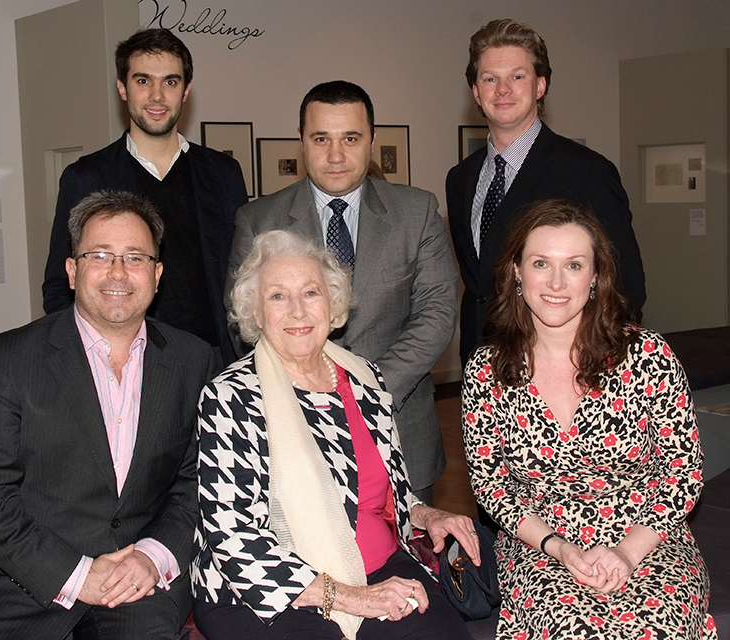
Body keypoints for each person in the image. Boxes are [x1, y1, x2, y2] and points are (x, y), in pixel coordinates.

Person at [192, 230, 480, 640]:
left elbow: (383, 489)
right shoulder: (230, 397)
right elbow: (235, 536)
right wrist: (351, 597)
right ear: (255, 314)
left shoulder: (364, 378)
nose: (297, 311)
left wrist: (423, 513)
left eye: (310, 293)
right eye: (277, 296)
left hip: (377, 564)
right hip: (262, 591)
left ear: (333, 304)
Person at [0, 191, 217, 639]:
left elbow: (198, 481)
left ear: (156, 275)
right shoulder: (6, 360)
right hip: (24, 589)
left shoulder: (194, 361)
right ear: (73, 271)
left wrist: (154, 556)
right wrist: (78, 575)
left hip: (137, 586)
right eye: (100, 255)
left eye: (135, 257)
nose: (118, 272)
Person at [461, 199, 715, 639]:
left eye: (574, 265)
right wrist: (558, 548)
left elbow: (683, 472)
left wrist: (628, 553)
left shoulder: (647, 356)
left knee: (655, 629)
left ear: (596, 277)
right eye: (541, 263)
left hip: (649, 539)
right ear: (517, 272)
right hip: (541, 545)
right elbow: (491, 486)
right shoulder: (487, 370)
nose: (556, 282)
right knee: (570, 630)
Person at [226, 81, 458, 503]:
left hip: (400, 425)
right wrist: (311, 393)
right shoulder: (258, 219)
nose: (336, 155)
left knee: (411, 561)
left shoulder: (417, 211)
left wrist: (369, 388)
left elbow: (437, 312)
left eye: (350, 138)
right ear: (302, 142)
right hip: (294, 426)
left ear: (371, 140)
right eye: (321, 139)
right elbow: (245, 325)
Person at [446, 18, 646, 366]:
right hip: (482, 367)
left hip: (563, 369)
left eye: (517, 76)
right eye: (490, 79)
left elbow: (626, 288)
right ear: (476, 92)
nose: (503, 89)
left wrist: (598, 368)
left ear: (540, 85)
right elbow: (479, 288)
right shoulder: (460, 178)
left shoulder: (588, 172)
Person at [43, 28, 247, 366]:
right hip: (125, 360)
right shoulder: (86, 177)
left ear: (186, 90)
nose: (156, 96)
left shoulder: (223, 173)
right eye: (142, 81)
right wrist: (86, 362)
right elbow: (59, 285)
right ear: (122, 88)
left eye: (170, 82)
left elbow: (244, 274)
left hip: (215, 360)